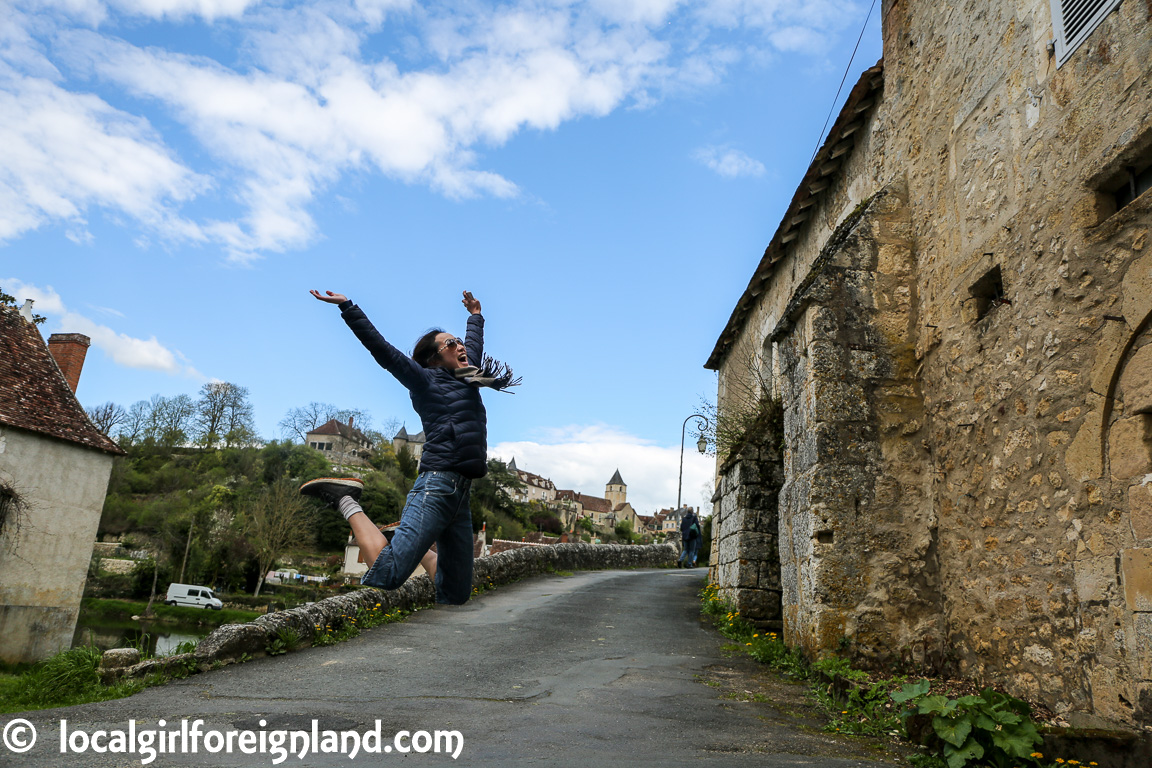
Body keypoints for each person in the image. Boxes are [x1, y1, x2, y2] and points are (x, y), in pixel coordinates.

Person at [300, 289, 517, 605]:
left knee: (456, 593)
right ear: (434, 358)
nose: (460, 346)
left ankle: (418, 550)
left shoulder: (468, 377)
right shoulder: (424, 380)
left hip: (461, 493)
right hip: (436, 485)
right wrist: (348, 307)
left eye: (459, 342)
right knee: (388, 575)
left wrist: (475, 316)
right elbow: (383, 351)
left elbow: (474, 347)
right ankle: (346, 500)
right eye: (450, 344)